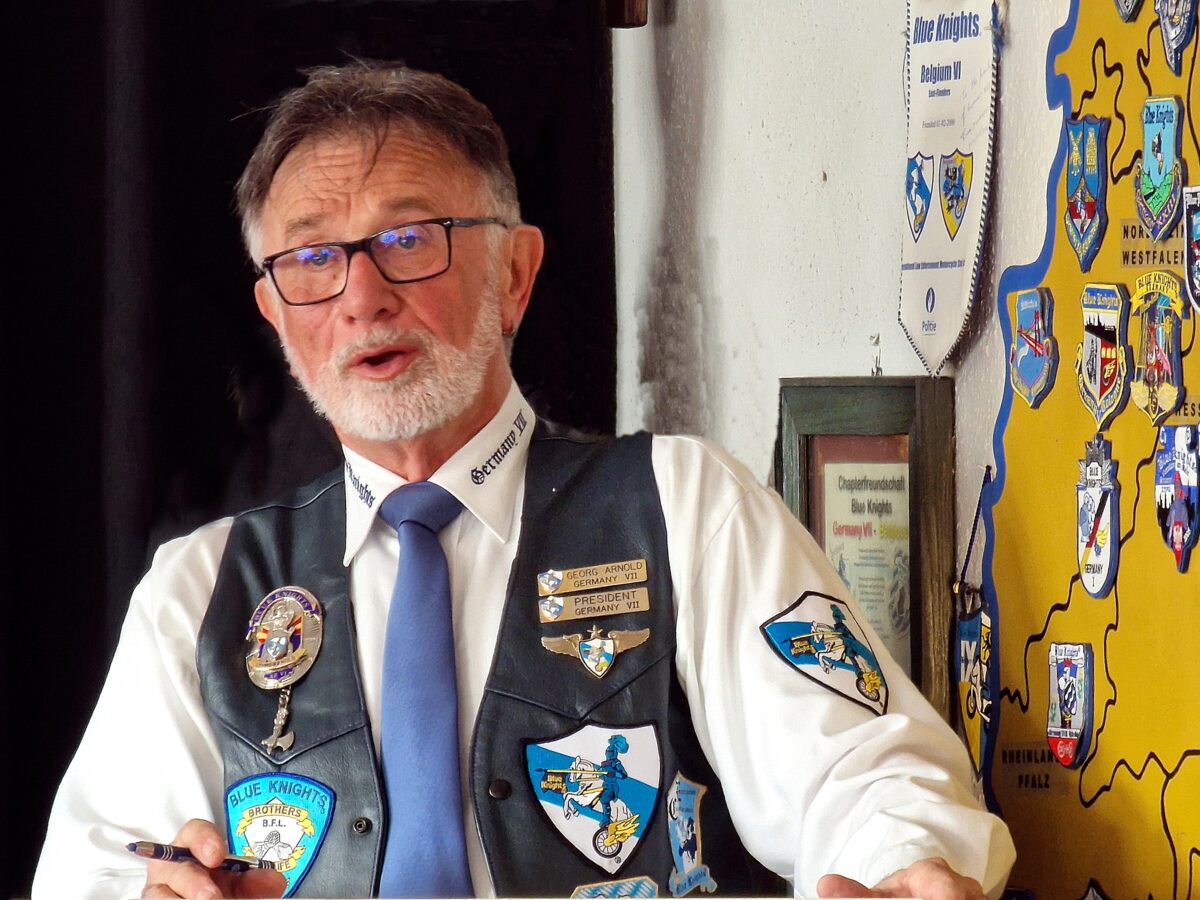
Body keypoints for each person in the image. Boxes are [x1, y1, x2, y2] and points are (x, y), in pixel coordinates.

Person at [34, 61, 1015, 899]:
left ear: (514, 273)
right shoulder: (200, 592)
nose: (361, 297)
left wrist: (903, 863)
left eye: (409, 240)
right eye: (314, 259)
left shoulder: (681, 509)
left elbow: (862, 767)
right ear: (275, 314)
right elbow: (99, 869)